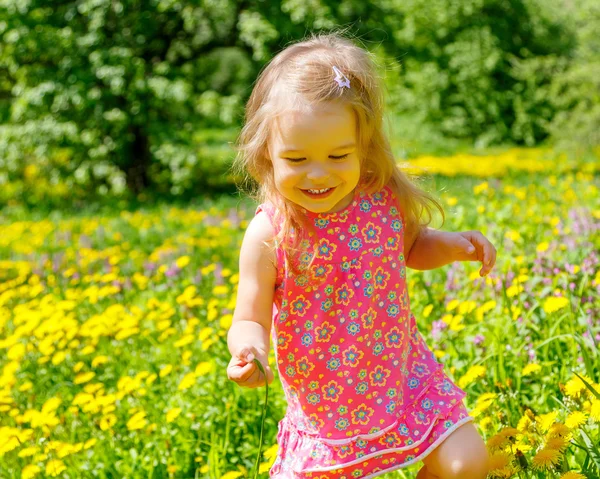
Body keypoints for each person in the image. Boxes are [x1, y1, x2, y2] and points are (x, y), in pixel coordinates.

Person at [226, 32, 496, 479]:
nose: (318, 173)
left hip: (402, 377)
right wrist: (248, 349)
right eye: (296, 158)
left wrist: (453, 245)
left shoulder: (381, 199)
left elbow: (409, 246)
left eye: (338, 154)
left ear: (364, 145)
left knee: (466, 462)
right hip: (326, 404)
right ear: (266, 155)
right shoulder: (269, 233)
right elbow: (248, 316)